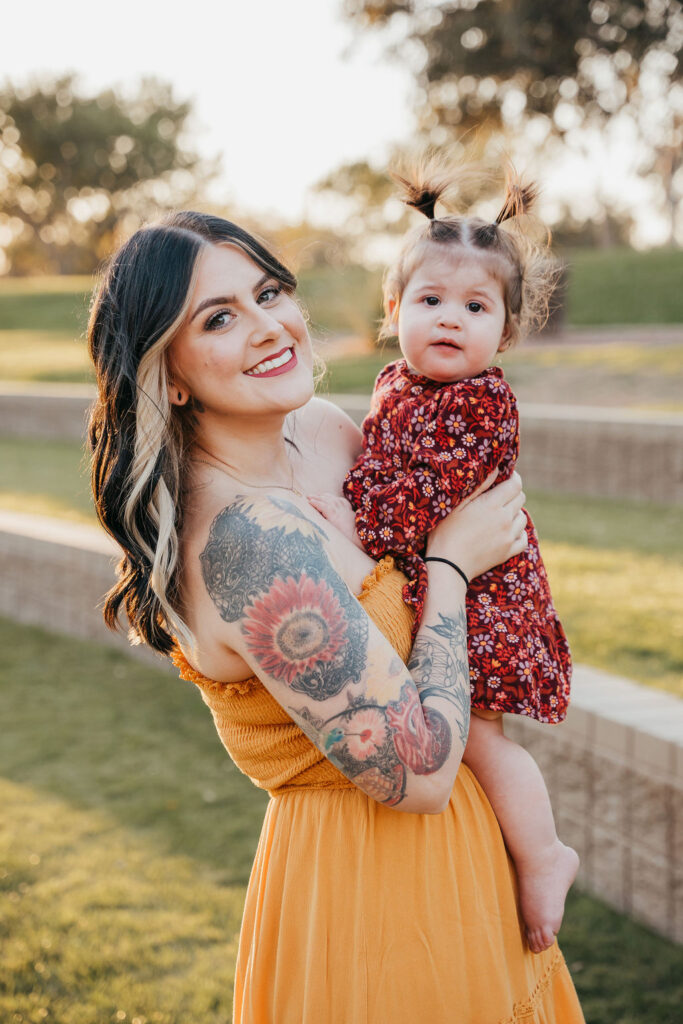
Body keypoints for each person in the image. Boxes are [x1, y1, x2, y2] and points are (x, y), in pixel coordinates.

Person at [87, 209, 584, 1023]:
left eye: (269, 292)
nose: (268, 327)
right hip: (369, 892)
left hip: (472, 862)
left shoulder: (320, 432)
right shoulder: (246, 545)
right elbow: (417, 773)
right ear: (167, 373)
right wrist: (455, 565)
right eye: (218, 317)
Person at [312, 162, 579, 954]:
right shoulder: (396, 384)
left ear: (504, 331)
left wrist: (346, 512)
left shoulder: (480, 402)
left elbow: (417, 504)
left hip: (486, 597)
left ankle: (544, 854)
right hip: (441, 586)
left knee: (481, 739)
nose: (449, 319)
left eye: (474, 306)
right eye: (430, 300)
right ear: (393, 311)